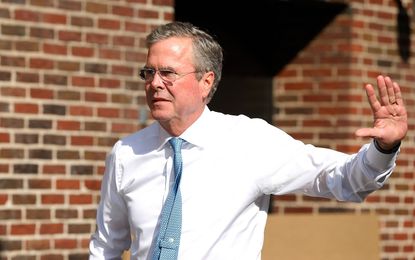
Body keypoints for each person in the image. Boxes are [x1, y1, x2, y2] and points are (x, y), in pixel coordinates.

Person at [89, 21, 408, 260]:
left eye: (168, 73)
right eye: (149, 73)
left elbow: (344, 180)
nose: (155, 84)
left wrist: (384, 148)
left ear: (205, 81)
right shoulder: (127, 153)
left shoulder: (249, 142)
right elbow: (106, 247)